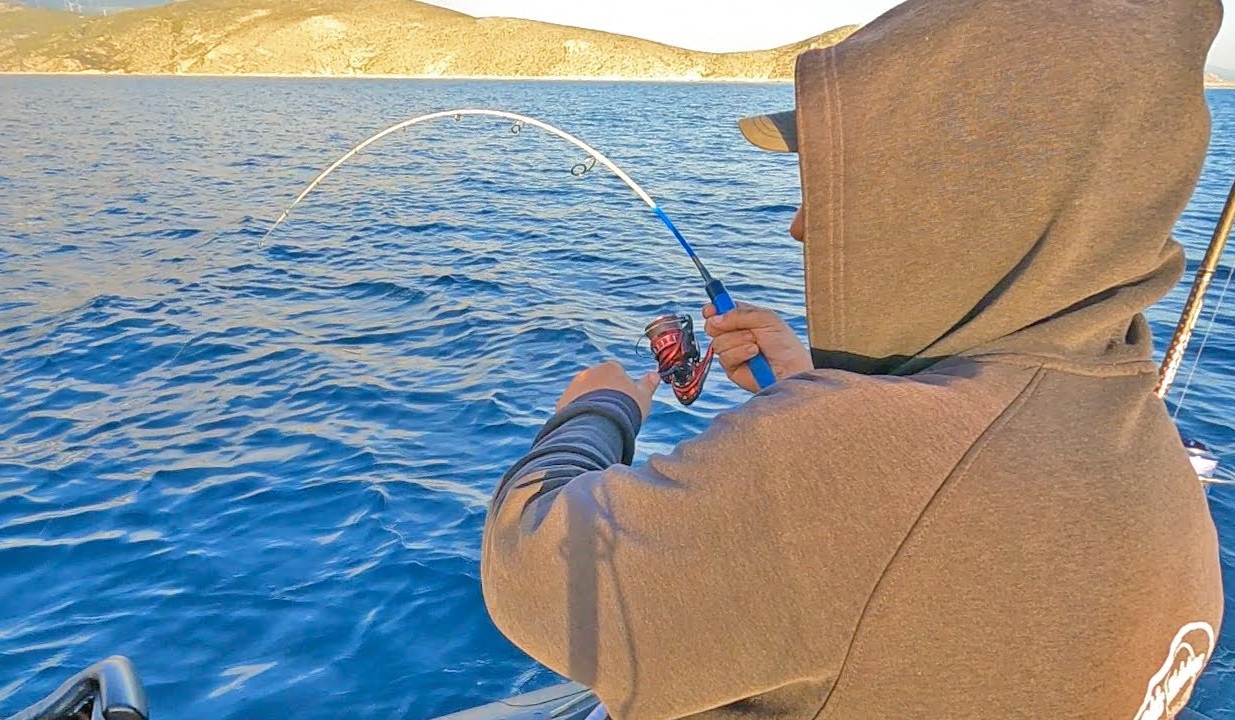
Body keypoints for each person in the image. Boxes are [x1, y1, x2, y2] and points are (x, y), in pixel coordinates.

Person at [479, 0, 1226, 717]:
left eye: (848, 189)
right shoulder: (1159, 463)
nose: (803, 227)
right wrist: (814, 386)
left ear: (963, 196)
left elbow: (532, 568)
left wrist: (598, 409)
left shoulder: (856, 462)